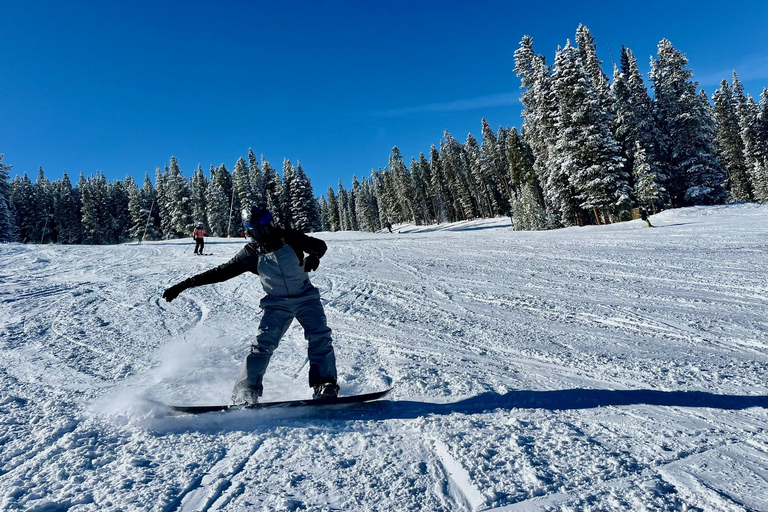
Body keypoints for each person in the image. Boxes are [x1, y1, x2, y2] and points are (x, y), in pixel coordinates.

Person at [162, 205, 339, 405]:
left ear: (272, 224)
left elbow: (319, 244)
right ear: (250, 231)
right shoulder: (251, 253)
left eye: (265, 228)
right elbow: (221, 272)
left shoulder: (290, 237)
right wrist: (185, 284)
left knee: (320, 337)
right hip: (276, 304)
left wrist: (314, 255)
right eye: (257, 230)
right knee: (262, 346)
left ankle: (324, 384)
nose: (263, 233)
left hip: (306, 298)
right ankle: (246, 391)